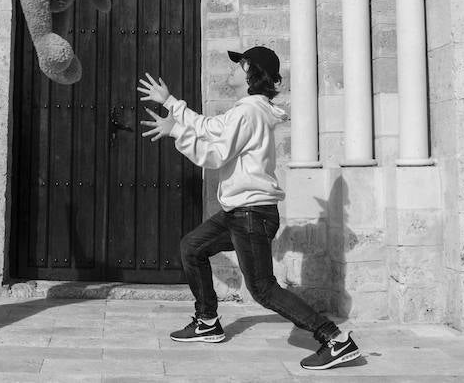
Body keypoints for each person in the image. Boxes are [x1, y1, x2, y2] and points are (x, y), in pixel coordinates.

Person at [139, 46, 363, 371]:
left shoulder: (249, 112)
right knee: (192, 247)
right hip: (240, 212)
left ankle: (334, 339)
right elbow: (209, 127)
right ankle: (207, 321)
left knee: (262, 288)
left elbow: (215, 156)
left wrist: (175, 130)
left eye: (238, 63)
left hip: (251, 214)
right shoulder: (247, 111)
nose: (232, 68)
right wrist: (171, 103)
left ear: (250, 71)